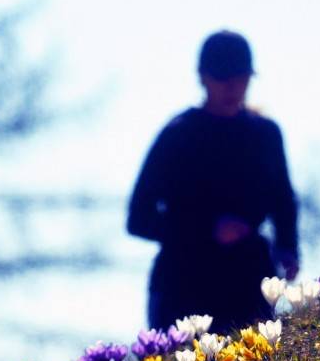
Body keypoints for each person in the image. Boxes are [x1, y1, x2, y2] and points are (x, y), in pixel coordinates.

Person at [127, 30, 299, 333]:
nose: (233, 87)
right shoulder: (178, 135)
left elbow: (283, 200)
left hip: (248, 277)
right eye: (223, 78)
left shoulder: (265, 135)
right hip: (184, 282)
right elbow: (139, 218)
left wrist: (288, 247)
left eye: (241, 77)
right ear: (203, 78)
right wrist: (208, 230)